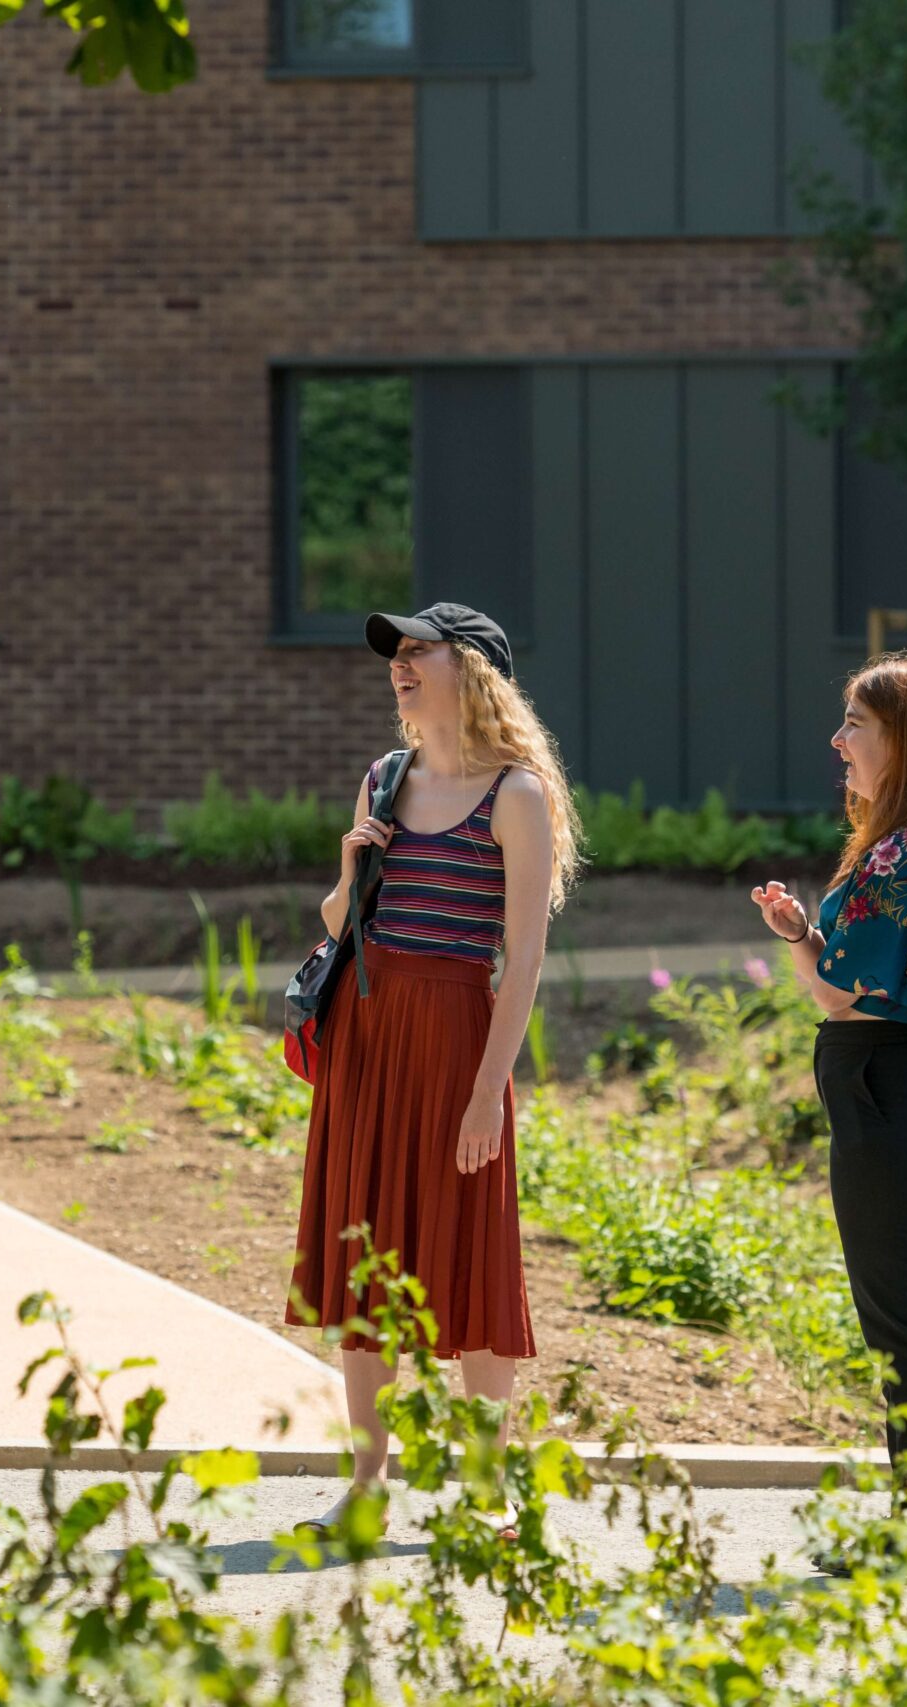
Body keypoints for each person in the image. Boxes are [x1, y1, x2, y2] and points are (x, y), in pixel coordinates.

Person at [286, 601, 583, 1537]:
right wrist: (348, 868)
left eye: (421, 653)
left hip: (460, 1035)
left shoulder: (517, 794)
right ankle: (367, 1482)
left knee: (471, 1255)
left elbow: (523, 958)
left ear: (475, 673)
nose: (401, 667)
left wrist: (490, 1092)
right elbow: (342, 925)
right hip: (369, 1037)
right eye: (396, 656)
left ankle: (486, 1489)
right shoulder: (382, 779)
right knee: (361, 1248)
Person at [749, 653, 907, 1517]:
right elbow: (885, 980)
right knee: (905, 1313)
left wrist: (796, 946)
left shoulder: (903, 852)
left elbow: (834, 995)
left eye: (857, 722)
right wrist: (804, 926)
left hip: (887, 1095)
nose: (839, 738)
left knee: (898, 1322)